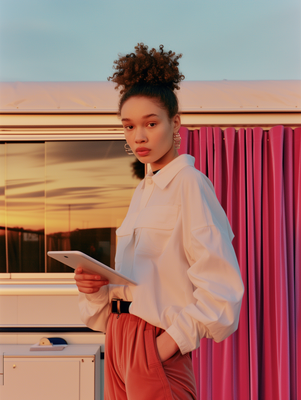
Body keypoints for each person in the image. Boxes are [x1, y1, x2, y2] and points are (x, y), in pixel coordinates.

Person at [75, 43, 244, 400]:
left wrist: (164, 346)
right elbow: (142, 283)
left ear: (175, 122)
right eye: (129, 126)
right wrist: (96, 288)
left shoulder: (190, 184)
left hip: (152, 345)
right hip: (119, 339)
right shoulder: (144, 191)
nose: (138, 136)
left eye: (150, 124)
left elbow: (223, 292)